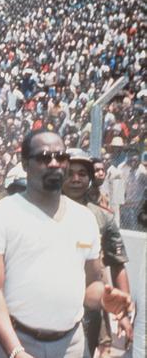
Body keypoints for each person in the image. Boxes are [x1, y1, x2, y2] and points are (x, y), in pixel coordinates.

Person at [0, 130, 131, 358]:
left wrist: (105, 299)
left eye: (61, 157)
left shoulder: (84, 218)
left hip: (71, 343)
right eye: (44, 157)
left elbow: (90, 286)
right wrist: (15, 351)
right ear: (25, 164)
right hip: (14, 340)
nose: (55, 163)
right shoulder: (0, 214)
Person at [62, 148, 132, 356]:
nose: (75, 179)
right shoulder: (43, 212)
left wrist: (124, 313)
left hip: (88, 309)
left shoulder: (102, 217)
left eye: (82, 174)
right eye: (69, 173)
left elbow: (117, 264)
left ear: (90, 179)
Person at [119, 152, 147, 229]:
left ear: (139, 161)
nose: (133, 162)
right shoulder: (124, 168)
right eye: (132, 160)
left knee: (132, 229)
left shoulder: (142, 172)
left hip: (135, 207)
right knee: (122, 228)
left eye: (136, 160)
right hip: (123, 205)